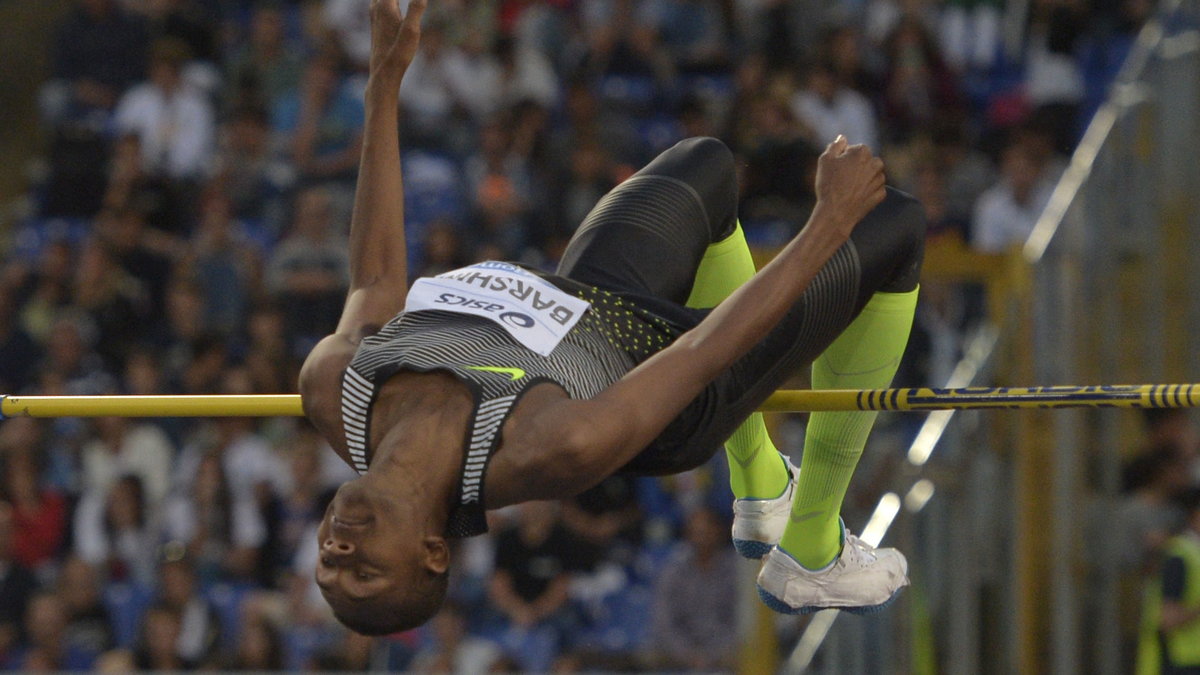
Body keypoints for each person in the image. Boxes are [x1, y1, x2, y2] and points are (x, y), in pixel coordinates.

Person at [299, 0, 924, 635]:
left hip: (588, 302)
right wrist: (829, 221)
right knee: (890, 223)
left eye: (328, 569)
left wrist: (384, 82)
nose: (338, 556)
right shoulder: (546, 445)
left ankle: (763, 492)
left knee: (703, 164)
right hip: (675, 378)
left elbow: (375, 277)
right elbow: (702, 353)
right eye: (365, 574)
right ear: (433, 552)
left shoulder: (334, 389)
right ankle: (814, 548)